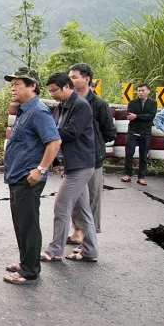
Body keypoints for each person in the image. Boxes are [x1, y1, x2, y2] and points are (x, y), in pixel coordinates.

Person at [2, 68, 61, 285]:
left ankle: (30, 271)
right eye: (12, 85)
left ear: (32, 86)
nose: (13, 88)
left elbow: (54, 142)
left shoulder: (38, 111)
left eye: (18, 84)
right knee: (21, 223)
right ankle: (25, 261)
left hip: (28, 178)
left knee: (29, 224)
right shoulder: (24, 111)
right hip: (16, 176)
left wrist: (41, 169)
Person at [41, 72, 99, 263]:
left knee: (62, 206)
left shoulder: (80, 105)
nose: (52, 94)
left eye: (55, 90)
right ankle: (90, 250)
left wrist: (49, 135)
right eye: (49, 91)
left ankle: (55, 250)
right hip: (72, 163)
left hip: (81, 163)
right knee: (81, 211)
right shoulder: (60, 107)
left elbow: (71, 132)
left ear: (67, 87)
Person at [66, 63, 116, 245]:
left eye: (74, 77)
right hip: (73, 157)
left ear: (86, 79)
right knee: (75, 196)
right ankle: (77, 230)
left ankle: (89, 238)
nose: (70, 80)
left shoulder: (99, 104)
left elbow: (110, 132)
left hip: (93, 159)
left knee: (93, 198)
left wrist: (94, 143)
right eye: (69, 77)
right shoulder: (68, 101)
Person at [121, 83, 157, 185]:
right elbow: (129, 116)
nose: (140, 92)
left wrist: (136, 116)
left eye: (143, 90)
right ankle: (127, 174)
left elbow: (151, 116)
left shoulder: (153, 103)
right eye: (139, 90)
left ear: (148, 91)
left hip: (145, 132)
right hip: (133, 131)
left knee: (143, 155)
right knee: (129, 154)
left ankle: (141, 177)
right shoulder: (132, 103)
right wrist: (140, 117)